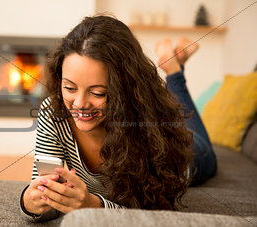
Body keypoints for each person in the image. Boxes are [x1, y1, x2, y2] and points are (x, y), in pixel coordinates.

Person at [19, 15, 217, 222]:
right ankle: (176, 64)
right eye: (70, 87)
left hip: (190, 156)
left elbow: (151, 215)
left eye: (97, 93)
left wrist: (90, 205)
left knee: (188, 128)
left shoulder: (147, 124)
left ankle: (175, 71)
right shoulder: (53, 111)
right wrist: (30, 202)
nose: (79, 104)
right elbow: (45, 199)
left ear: (123, 89)